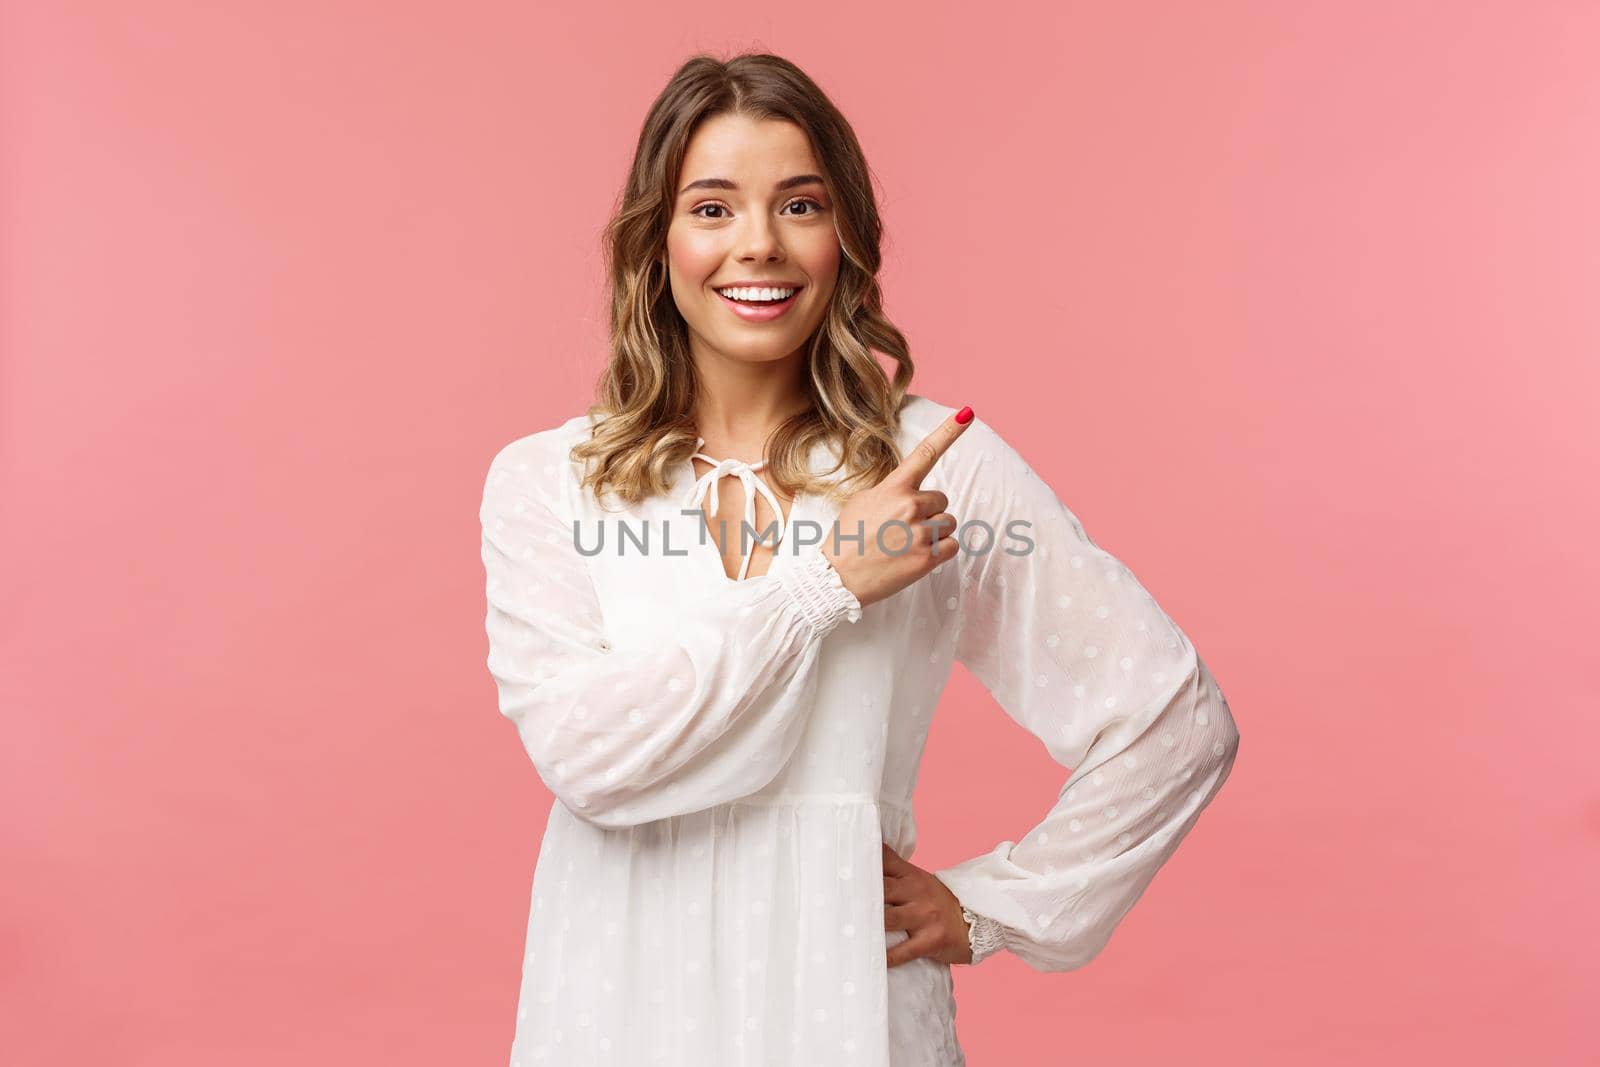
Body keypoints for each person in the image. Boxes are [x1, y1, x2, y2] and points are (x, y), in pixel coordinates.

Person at [478, 52, 1240, 1067]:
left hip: (845, 1000)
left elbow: (1171, 717)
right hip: (614, 1001)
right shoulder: (550, 481)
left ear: (845, 235)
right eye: (711, 208)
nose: (758, 245)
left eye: (799, 205)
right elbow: (590, 762)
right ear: (654, 242)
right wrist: (819, 584)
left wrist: (991, 906)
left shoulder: (929, 464)